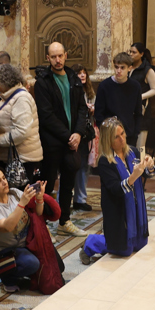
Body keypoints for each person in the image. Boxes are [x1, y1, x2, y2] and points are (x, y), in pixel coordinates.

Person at [33, 42, 93, 236]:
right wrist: (69, 136)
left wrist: (78, 133)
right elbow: (46, 115)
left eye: (60, 56)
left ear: (66, 55)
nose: (57, 60)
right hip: (52, 142)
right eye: (53, 57)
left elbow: (82, 108)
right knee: (47, 185)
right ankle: (41, 226)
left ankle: (64, 221)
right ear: (48, 58)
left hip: (72, 141)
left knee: (68, 182)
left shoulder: (73, 78)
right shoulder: (43, 82)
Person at [81, 118, 155, 264]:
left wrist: (150, 166)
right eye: (116, 136)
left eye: (122, 133)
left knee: (140, 244)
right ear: (108, 140)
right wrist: (133, 177)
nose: (122, 139)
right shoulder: (104, 161)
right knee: (123, 250)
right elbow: (116, 189)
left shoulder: (133, 151)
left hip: (134, 210)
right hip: (117, 212)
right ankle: (91, 242)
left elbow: (146, 174)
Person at [0, 166, 62, 293]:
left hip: (26, 244)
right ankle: (8, 278)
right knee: (32, 263)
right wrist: (21, 204)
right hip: (6, 251)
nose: (4, 182)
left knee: (58, 266)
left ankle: (29, 271)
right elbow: (8, 226)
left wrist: (39, 198)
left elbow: (38, 213)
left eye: (4, 178)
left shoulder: (14, 193)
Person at [0, 62, 42, 180]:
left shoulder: (21, 98)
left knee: (20, 195)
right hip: (13, 157)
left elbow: (22, 132)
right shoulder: (8, 96)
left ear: (5, 80)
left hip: (23, 159)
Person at [93, 52, 142, 145]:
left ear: (129, 68)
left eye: (122, 67)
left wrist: (135, 133)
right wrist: (104, 132)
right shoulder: (104, 86)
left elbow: (138, 112)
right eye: (116, 67)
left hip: (129, 135)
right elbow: (99, 114)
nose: (118, 71)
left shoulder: (135, 86)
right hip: (110, 135)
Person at [73, 66, 95, 211]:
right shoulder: (71, 91)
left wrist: (92, 109)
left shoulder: (90, 93)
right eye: (78, 73)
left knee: (83, 166)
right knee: (69, 166)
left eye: (84, 73)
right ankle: (66, 197)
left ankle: (80, 198)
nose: (82, 75)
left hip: (86, 133)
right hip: (73, 132)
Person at [127, 42, 155, 147]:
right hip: (129, 109)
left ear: (141, 54)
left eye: (134, 52)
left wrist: (141, 97)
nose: (131, 54)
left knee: (140, 146)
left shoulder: (147, 69)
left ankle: (141, 162)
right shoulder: (127, 68)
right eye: (130, 52)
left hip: (142, 109)